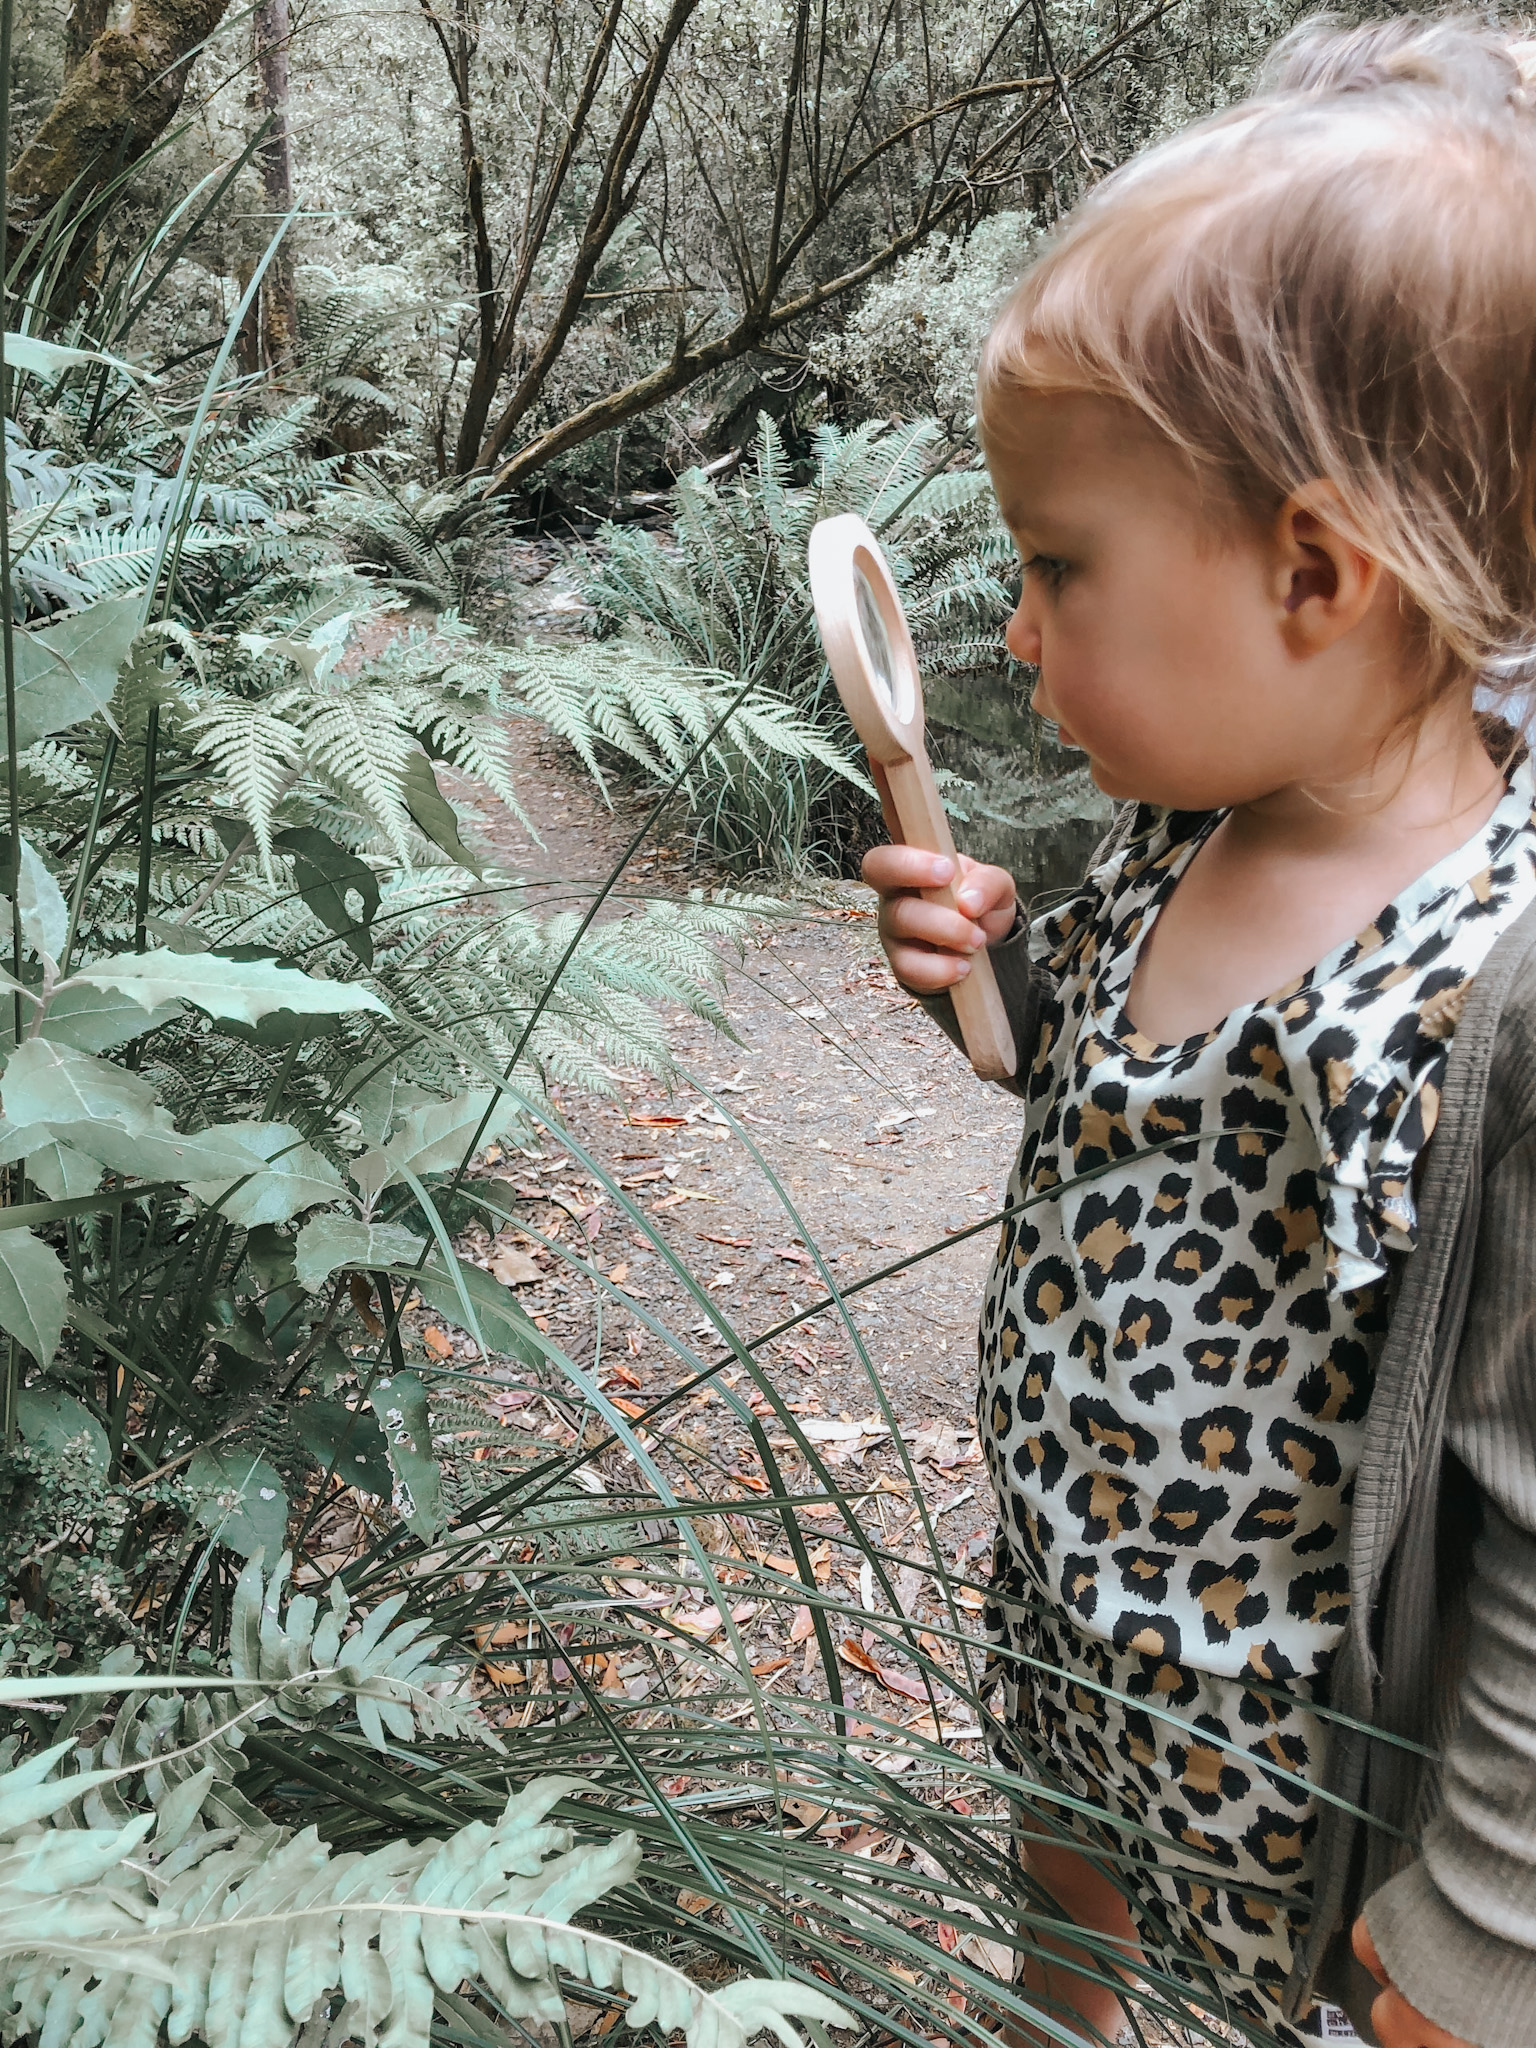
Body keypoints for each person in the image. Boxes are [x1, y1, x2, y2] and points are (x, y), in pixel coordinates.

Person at [863, 17, 1536, 2048]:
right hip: (1074, 1651)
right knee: (1061, 1932)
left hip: (1310, 1819)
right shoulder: (1181, 828)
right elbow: (1100, 1082)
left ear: (1316, 575)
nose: (1014, 629)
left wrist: (1474, 1939)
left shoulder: (1498, 985)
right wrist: (997, 974)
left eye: (1058, 568)